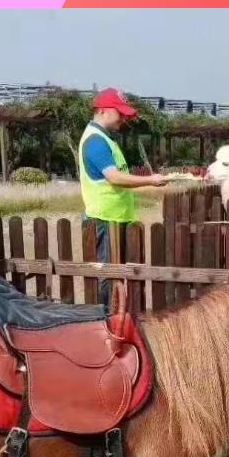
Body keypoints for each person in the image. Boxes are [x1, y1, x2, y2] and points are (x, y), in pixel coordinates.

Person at [79, 88, 167, 304]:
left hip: (115, 219)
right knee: (108, 278)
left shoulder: (105, 139)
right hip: (104, 220)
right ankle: (105, 318)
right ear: (102, 110)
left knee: (118, 276)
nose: (123, 119)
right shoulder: (96, 141)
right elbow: (114, 177)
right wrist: (151, 180)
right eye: (120, 113)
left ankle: (115, 316)